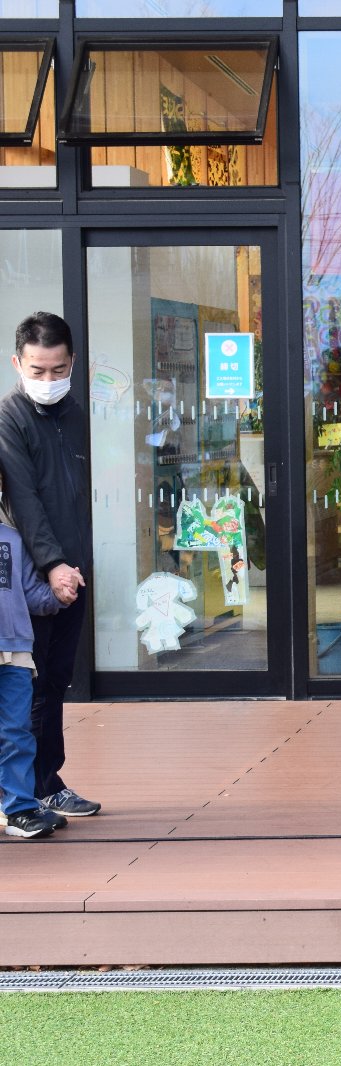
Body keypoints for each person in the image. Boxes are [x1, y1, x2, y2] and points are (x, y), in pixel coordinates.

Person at [0, 312, 97, 820]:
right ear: (17, 363)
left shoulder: (74, 413)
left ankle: (47, 780)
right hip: (32, 577)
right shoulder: (9, 417)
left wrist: (76, 564)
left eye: (58, 369)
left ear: (72, 362)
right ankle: (31, 790)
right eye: (37, 370)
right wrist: (54, 565)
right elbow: (25, 500)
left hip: (73, 570)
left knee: (56, 679)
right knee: (29, 686)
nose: (48, 379)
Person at [0, 479, 69, 838]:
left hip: (15, 649)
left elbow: (31, 593)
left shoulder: (14, 536)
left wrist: (59, 593)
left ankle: (19, 809)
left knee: (16, 731)